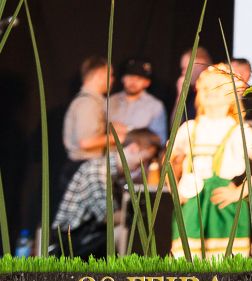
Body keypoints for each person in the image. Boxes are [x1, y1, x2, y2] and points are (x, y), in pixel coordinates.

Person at [169, 64, 252, 257]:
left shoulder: (239, 131)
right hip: (192, 205)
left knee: (224, 264)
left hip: (224, 206)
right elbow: (170, 165)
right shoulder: (189, 129)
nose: (210, 91)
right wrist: (175, 189)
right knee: (186, 261)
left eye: (217, 87)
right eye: (206, 87)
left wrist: (238, 192)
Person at [51, 129, 162, 257]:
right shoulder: (98, 170)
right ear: (133, 147)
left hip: (92, 239)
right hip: (74, 242)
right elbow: (109, 216)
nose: (145, 165)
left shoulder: (118, 176)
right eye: (145, 159)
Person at [61, 56, 125, 193]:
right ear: (100, 75)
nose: (113, 80)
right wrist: (117, 138)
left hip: (85, 168)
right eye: (111, 75)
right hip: (83, 168)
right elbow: (85, 142)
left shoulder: (93, 102)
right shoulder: (88, 104)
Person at [108, 58, 168, 146]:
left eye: (139, 78)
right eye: (130, 77)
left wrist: (129, 130)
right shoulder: (109, 102)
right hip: (110, 157)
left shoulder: (155, 106)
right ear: (123, 78)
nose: (133, 82)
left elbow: (160, 140)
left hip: (140, 158)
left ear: (147, 82)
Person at [173, 46, 212, 123]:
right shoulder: (190, 93)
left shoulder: (215, 92)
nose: (183, 73)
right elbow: (174, 128)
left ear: (201, 67)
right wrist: (180, 97)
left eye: (186, 68)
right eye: (182, 69)